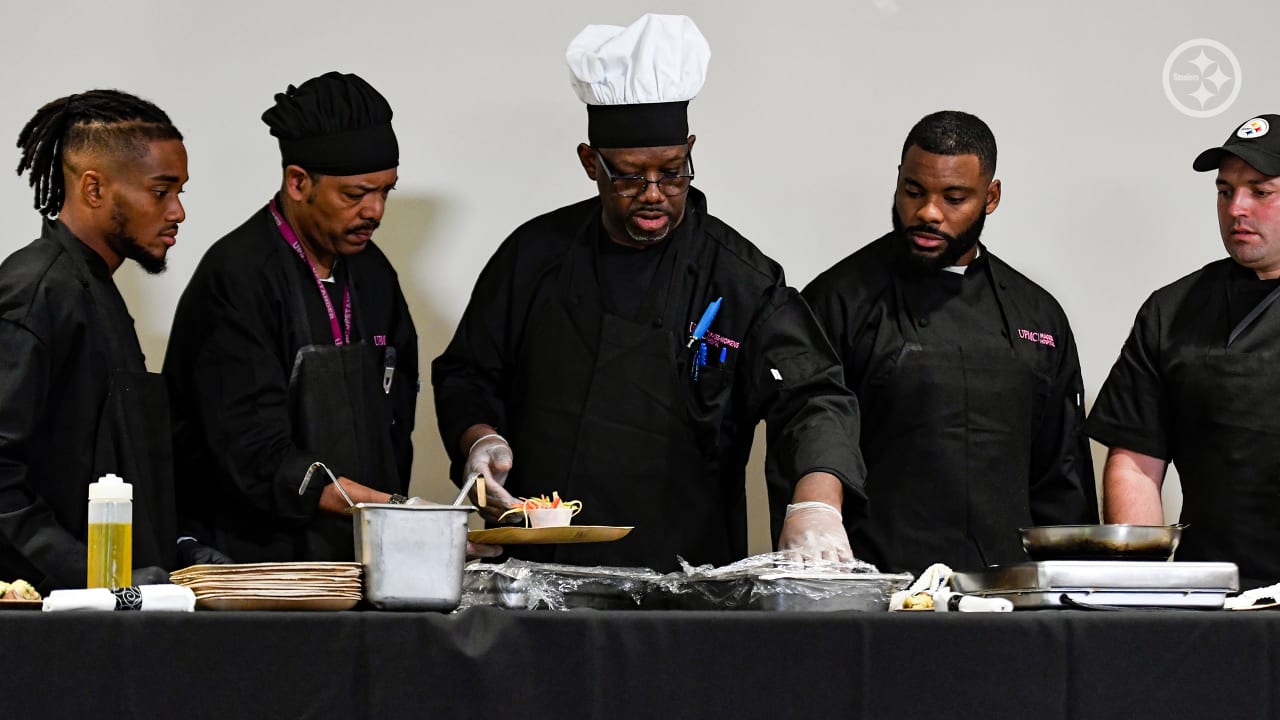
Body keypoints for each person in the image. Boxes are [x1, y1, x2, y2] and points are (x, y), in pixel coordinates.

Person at [432, 14, 866, 572]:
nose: (654, 195)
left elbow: (814, 397)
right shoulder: (534, 256)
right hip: (535, 580)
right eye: (630, 177)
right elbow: (468, 373)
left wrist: (816, 503)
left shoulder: (739, 278)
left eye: (672, 171)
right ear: (591, 162)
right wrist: (478, 442)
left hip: (684, 587)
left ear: (689, 149)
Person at [164, 72, 443, 562]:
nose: (375, 211)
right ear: (297, 182)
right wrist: (393, 507)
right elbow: (251, 455)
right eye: (355, 195)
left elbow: (395, 422)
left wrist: (393, 523)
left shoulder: (375, 273)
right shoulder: (238, 276)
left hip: (356, 556)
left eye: (386, 192)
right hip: (251, 561)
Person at [802, 111, 1096, 574]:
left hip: (1010, 599)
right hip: (876, 599)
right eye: (913, 191)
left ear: (991, 197)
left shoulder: (1037, 315)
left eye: (954, 198)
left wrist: (1074, 594)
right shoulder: (836, 302)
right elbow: (806, 444)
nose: (928, 213)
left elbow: (1062, 478)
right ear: (898, 180)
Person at [0, 89, 189, 591]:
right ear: (93, 188)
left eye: (180, 193)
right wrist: (91, 574)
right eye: (160, 191)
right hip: (48, 633)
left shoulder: (97, 289)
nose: (177, 212)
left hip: (111, 611)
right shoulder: (37, 291)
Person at [1087, 114, 1280, 588]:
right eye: (1224, 190)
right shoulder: (1171, 312)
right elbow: (1135, 463)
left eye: (1260, 191)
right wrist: (1148, 589)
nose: (1237, 208)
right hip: (1211, 602)